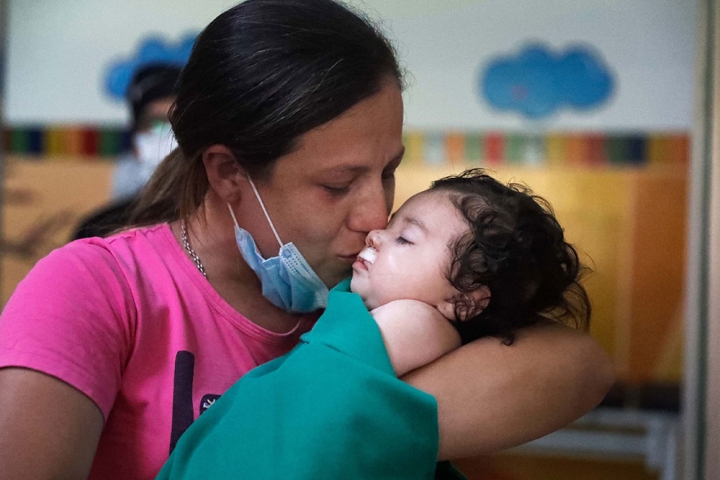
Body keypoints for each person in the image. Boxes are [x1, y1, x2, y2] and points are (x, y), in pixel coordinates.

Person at [0, 1, 613, 480]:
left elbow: (581, 367)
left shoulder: (372, 294)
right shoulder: (96, 290)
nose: (376, 213)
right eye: (338, 183)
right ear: (229, 172)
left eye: (388, 171)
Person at [157, 168, 592, 479]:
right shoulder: (377, 313)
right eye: (393, 225)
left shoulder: (412, 323)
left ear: (465, 300)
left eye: (405, 238)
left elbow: (311, 411)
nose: (375, 235)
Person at [72, 63, 182, 240]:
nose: (168, 134)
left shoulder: (221, 228)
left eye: (179, 122)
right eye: (156, 123)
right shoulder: (98, 233)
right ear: (136, 138)